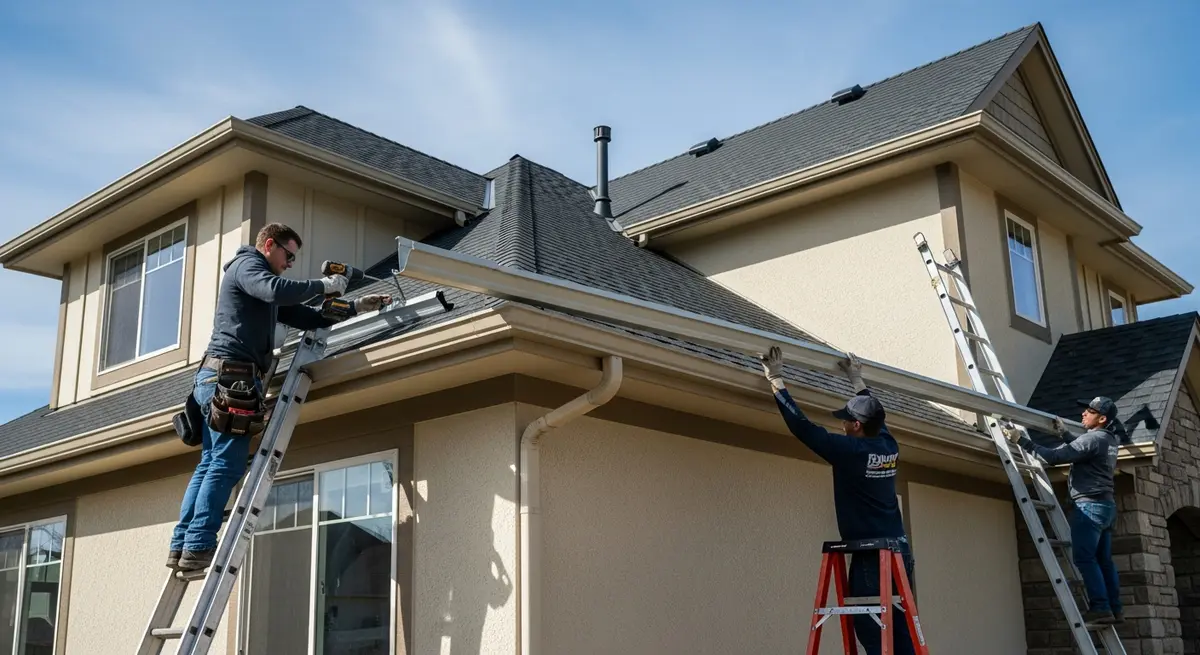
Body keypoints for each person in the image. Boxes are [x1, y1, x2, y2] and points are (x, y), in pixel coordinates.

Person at [168, 223, 391, 571]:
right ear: (269, 245)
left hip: (218, 377)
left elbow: (307, 316)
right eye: (288, 256)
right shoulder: (248, 266)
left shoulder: (261, 289)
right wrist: (324, 285)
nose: (290, 264)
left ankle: (183, 544)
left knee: (210, 464)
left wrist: (355, 307)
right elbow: (275, 290)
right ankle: (197, 545)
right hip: (230, 378)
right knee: (224, 464)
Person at [759, 346, 917, 655]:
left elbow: (804, 429)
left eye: (846, 420)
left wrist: (776, 379)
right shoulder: (888, 445)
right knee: (900, 632)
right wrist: (856, 378)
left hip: (872, 556)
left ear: (856, 426)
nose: (842, 424)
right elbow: (876, 412)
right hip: (899, 551)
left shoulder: (850, 452)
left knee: (872, 631)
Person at [1005, 396, 1123, 625]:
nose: (1083, 414)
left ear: (1102, 419)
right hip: (1106, 507)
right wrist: (1065, 435)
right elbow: (1084, 450)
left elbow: (1054, 457)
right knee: (1104, 561)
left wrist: (1021, 440)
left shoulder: (1092, 439)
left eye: (1090, 412)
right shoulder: (1109, 439)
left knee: (1085, 559)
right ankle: (1115, 609)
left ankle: (1101, 608)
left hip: (1089, 506)